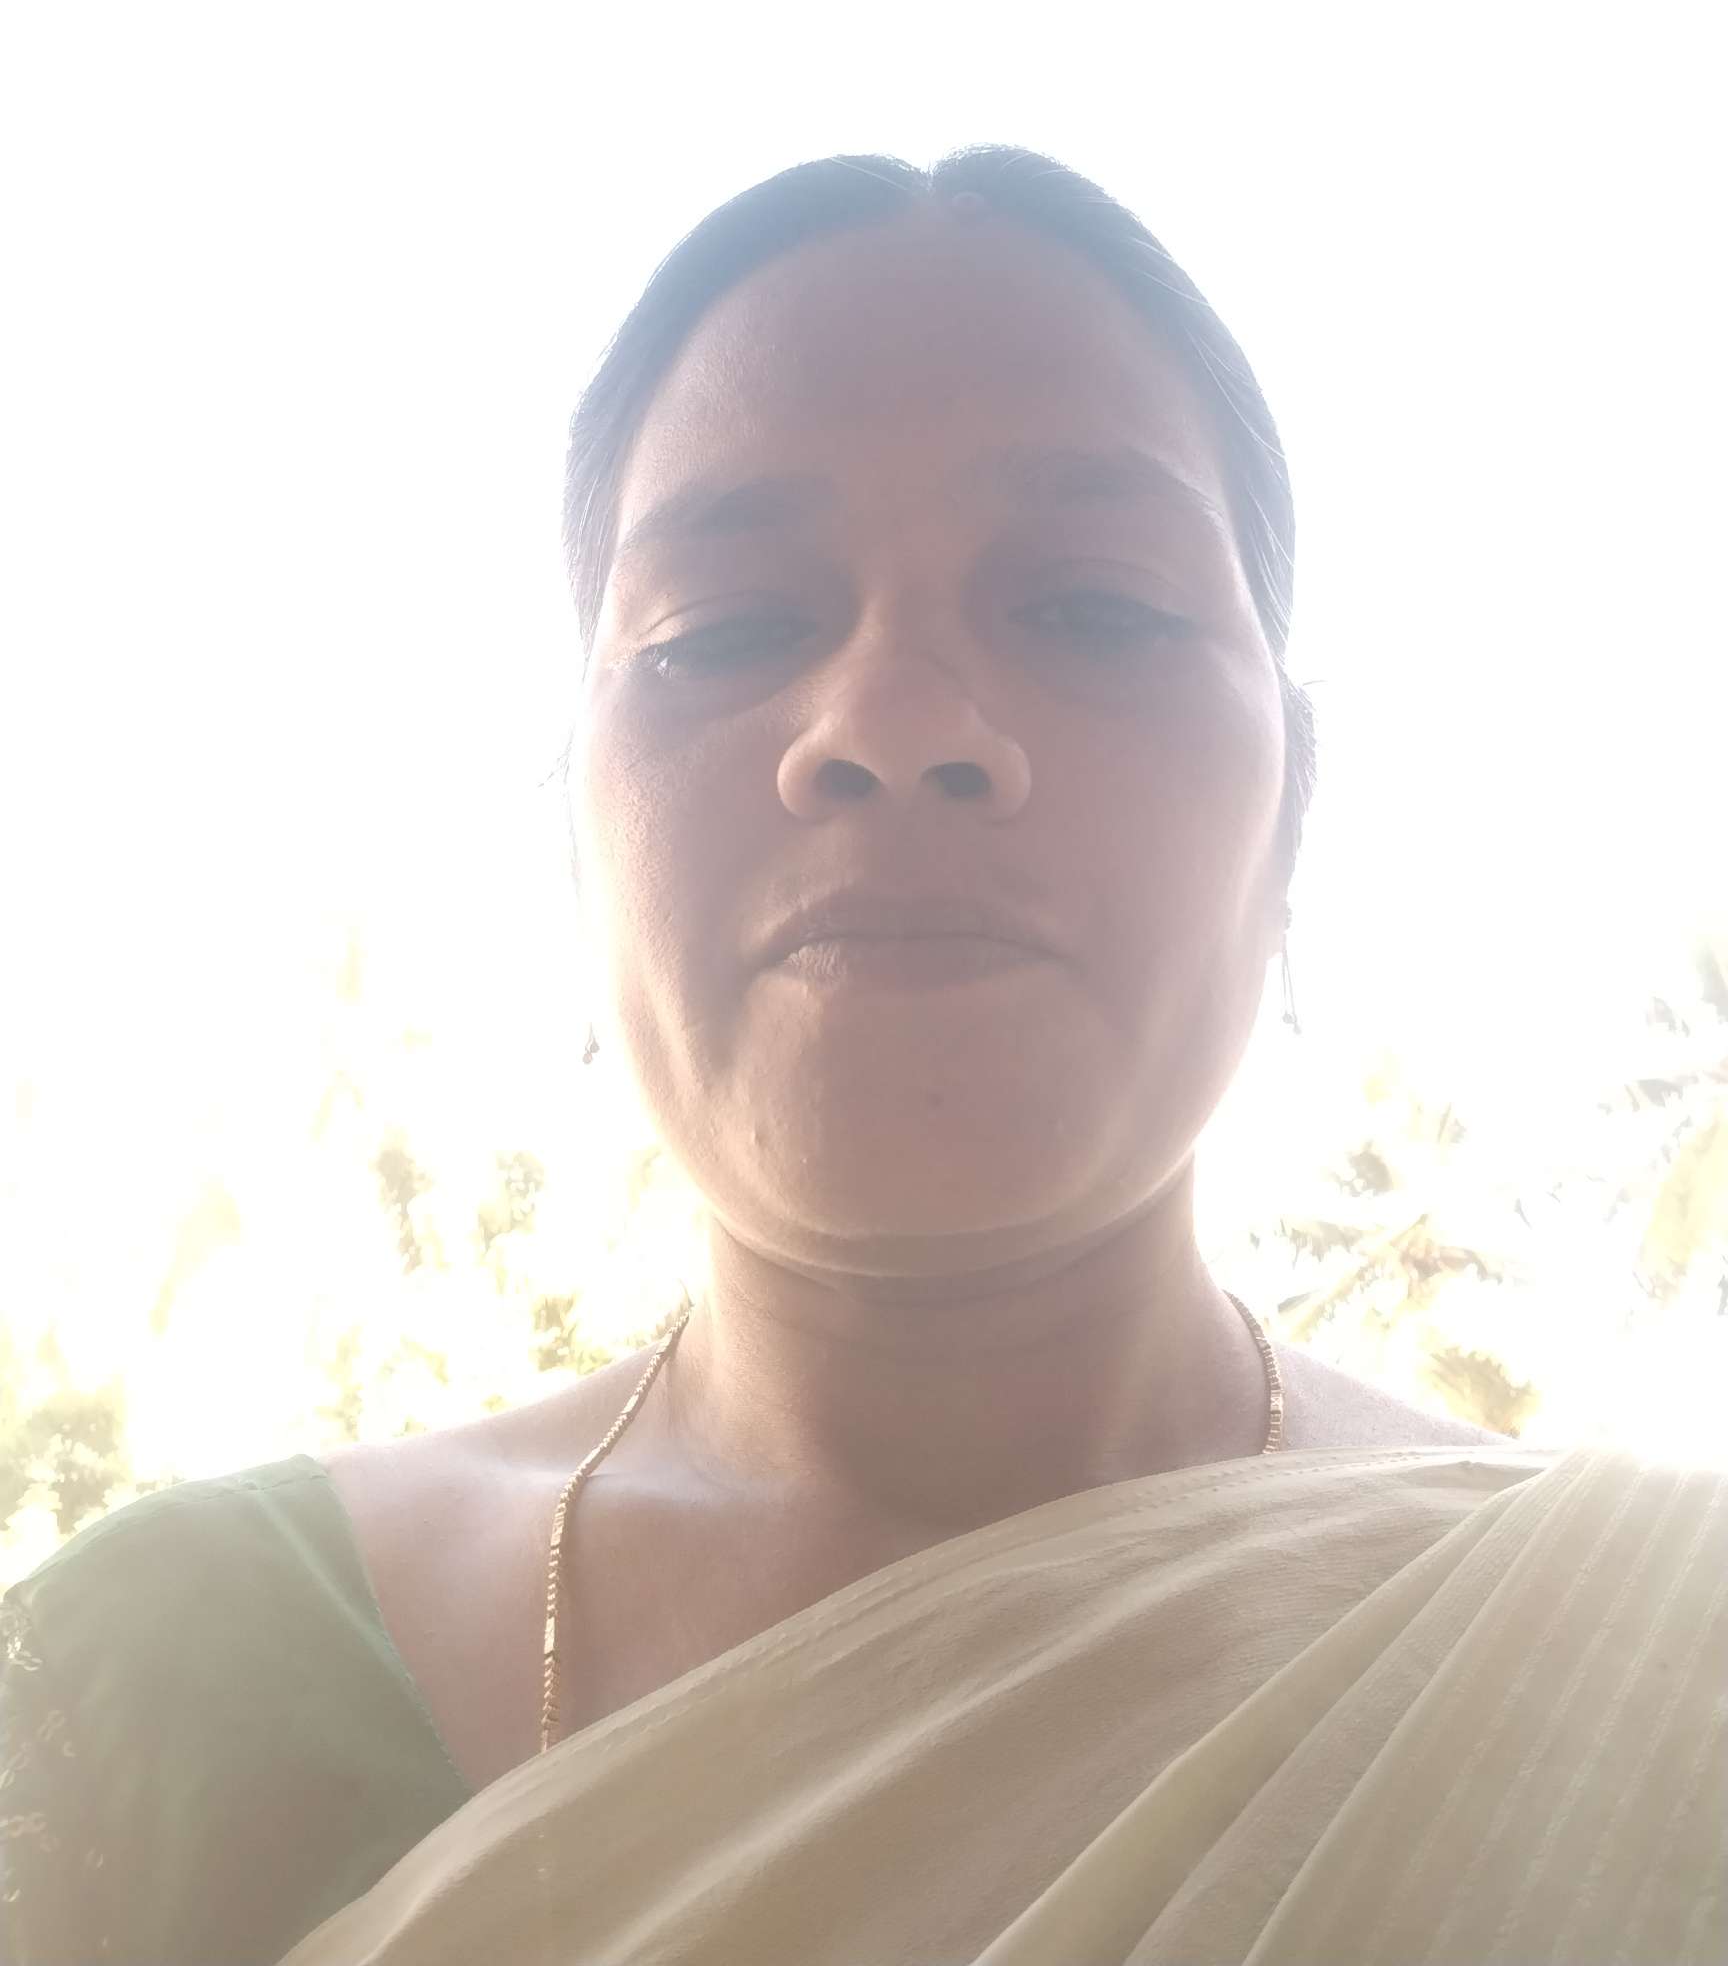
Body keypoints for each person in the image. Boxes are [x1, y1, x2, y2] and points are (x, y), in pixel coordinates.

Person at [2, 149, 1722, 1966]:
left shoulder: (1650, 1678)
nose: (893, 724)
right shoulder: (169, 1693)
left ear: (1293, 814)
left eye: (1093, 607)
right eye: (723, 627)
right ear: (575, 847)